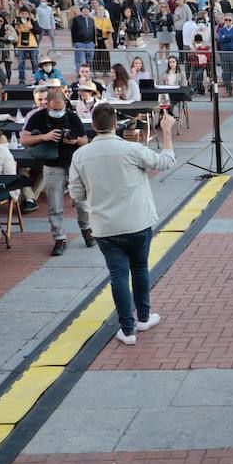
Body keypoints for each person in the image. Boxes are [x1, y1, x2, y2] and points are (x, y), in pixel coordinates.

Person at [68, 104, 176, 345]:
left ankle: (127, 330)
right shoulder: (131, 149)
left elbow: (76, 193)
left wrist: (96, 194)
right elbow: (165, 162)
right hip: (137, 222)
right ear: (115, 124)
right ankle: (144, 317)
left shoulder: (80, 155)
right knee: (139, 268)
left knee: (118, 275)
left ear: (93, 126)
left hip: (105, 226)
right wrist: (167, 132)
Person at [23, 87, 90, 256]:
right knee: (54, 205)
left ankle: (87, 229)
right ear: (47, 105)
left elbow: (85, 141)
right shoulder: (38, 117)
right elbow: (24, 138)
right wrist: (44, 137)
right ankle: (59, 237)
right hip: (51, 165)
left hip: (73, 164)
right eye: (54, 109)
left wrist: (75, 140)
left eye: (61, 109)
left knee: (82, 202)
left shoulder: (72, 116)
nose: (58, 112)